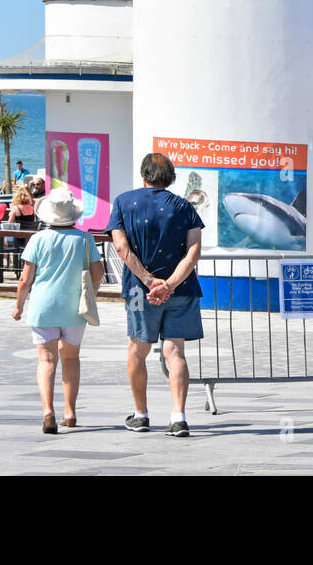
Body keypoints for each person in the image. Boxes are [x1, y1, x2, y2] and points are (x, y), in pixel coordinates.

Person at [109, 152, 204, 437]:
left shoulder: (124, 203)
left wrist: (151, 281)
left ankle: (141, 414)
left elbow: (122, 248)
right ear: (170, 177)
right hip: (182, 290)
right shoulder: (184, 206)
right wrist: (170, 284)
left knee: (137, 351)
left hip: (140, 291)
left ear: (144, 174)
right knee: (175, 351)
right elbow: (194, 252)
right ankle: (178, 416)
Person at [11, 190, 105, 434]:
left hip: (43, 305)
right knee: (71, 358)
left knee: (46, 359)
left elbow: (25, 279)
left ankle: (47, 411)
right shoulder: (85, 239)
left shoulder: (38, 239)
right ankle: (70, 411)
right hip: (75, 307)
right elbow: (98, 273)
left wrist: (19, 306)